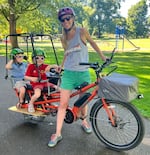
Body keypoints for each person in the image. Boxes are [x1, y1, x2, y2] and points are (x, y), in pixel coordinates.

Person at [48, 7, 106, 147]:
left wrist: (103, 57)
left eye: (68, 18)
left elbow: (93, 43)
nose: (65, 21)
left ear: (73, 18)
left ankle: (84, 121)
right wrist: (61, 66)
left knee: (83, 101)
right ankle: (58, 133)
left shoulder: (82, 31)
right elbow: (67, 53)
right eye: (63, 20)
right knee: (62, 104)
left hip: (83, 73)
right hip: (68, 74)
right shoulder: (63, 38)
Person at [24, 48, 60, 113]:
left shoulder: (44, 66)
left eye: (42, 58)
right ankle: (31, 103)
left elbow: (53, 67)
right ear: (33, 59)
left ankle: (50, 103)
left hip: (45, 83)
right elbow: (26, 77)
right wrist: (32, 79)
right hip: (36, 84)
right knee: (37, 94)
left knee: (59, 89)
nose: (40, 60)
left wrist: (55, 67)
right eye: (37, 58)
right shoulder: (31, 67)